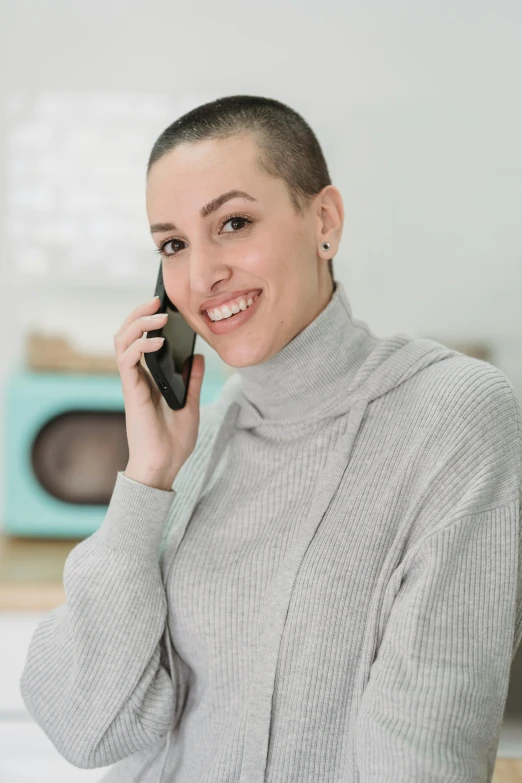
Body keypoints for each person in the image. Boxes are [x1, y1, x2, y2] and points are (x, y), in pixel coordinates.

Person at [20, 95, 522, 783]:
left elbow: (422, 756)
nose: (199, 277)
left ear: (324, 220)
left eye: (233, 222)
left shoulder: (455, 414)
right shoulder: (204, 435)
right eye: (172, 244)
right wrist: (148, 476)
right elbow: (86, 726)